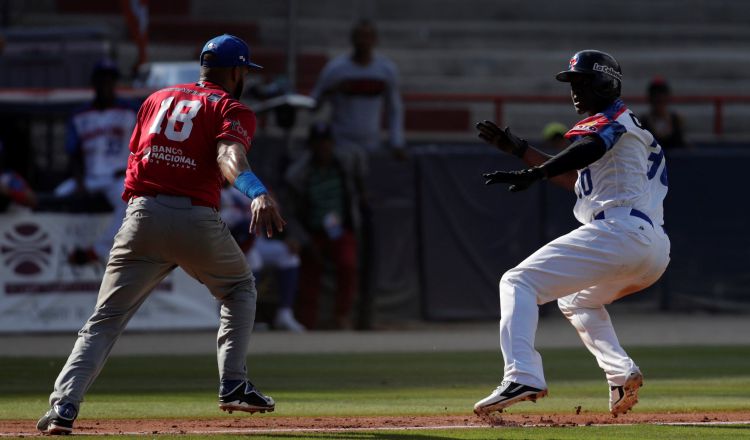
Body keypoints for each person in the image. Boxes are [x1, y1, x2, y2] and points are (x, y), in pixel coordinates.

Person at [36, 34, 285, 435]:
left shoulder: (155, 99)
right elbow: (227, 156)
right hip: (194, 217)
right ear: (237, 71)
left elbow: (135, 157)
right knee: (239, 288)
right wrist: (257, 192)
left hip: (141, 214)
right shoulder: (230, 107)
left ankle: (64, 406)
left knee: (105, 319)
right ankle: (233, 382)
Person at [472, 50, 670, 417]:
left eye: (583, 82)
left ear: (607, 83)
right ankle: (620, 373)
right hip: (650, 246)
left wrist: (538, 173)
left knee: (518, 282)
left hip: (620, 231)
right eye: (572, 83)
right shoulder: (629, 127)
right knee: (576, 301)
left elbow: (590, 146)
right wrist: (520, 152)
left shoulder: (613, 121)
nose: (575, 90)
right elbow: (577, 181)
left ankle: (522, 374)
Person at [54, 59, 137, 264]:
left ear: (115, 83)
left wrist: (130, 169)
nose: (106, 85)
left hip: (118, 176)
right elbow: (74, 153)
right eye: (102, 80)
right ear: (95, 83)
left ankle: (97, 251)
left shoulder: (131, 111)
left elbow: (145, 147)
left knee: (131, 203)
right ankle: (59, 251)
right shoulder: (80, 115)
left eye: (110, 80)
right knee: (56, 197)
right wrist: (79, 181)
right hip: (89, 176)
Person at [284, 123, 364, 329]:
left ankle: (342, 315)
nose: (323, 148)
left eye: (326, 143)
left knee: (348, 265)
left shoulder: (344, 165)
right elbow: (290, 211)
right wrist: (300, 237)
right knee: (309, 274)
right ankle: (307, 321)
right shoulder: (299, 174)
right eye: (318, 144)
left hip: (340, 230)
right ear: (311, 146)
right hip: (312, 231)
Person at [310, 19, 405, 162]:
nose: (363, 41)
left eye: (367, 37)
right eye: (359, 36)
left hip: (372, 142)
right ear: (352, 39)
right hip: (341, 142)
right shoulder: (335, 69)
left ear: (375, 40)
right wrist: (330, 91)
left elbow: (394, 109)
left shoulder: (386, 70)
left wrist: (396, 141)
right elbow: (313, 105)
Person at [221, 184, 305, 332]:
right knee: (253, 260)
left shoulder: (246, 185)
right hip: (227, 244)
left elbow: (274, 213)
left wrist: (287, 236)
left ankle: (284, 314)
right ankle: (243, 318)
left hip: (255, 241)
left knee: (288, 255)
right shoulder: (215, 190)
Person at [639, 77, 687, 149]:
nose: (659, 98)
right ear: (650, 99)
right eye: (655, 95)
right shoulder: (643, 122)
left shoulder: (677, 120)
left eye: (662, 95)